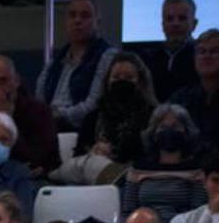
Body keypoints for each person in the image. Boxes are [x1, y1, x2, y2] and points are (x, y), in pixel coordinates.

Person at [52, 51, 158, 185]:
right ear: (107, 81)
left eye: (129, 78)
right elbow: (78, 157)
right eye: (116, 77)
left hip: (138, 178)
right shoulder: (92, 118)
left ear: (141, 82)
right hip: (95, 178)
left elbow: (155, 156)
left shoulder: (154, 117)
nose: (121, 82)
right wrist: (93, 151)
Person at [35, 0, 117, 129]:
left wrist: (57, 116)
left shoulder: (107, 55)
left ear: (98, 22)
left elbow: (94, 103)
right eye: (72, 16)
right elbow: (39, 99)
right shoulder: (55, 61)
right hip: (50, 126)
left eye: (85, 16)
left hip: (81, 128)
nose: (77, 20)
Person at [120, 103, 208, 223]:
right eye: (162, 127)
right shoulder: (138, 169)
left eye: (175, 126)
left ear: (186, 132)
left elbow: (197, 214)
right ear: (153, 133)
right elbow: (127, 212)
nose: (169, 131)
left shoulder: (196, 171)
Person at [141, 0, 199, 103]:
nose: (175, 24)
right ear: (162, 25)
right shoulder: (148, 59)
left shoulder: (202, 57)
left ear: (194, 24)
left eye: (182, 18)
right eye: (169, 19)